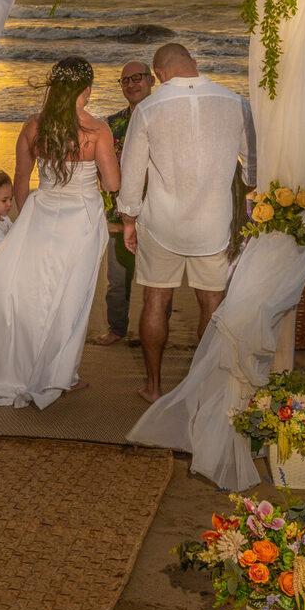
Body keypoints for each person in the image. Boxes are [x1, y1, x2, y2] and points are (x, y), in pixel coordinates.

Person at [0, 56, 120, 409]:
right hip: (81, 220)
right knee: (72, 296)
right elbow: (112, 182)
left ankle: (32, 364)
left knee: (38, 293)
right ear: (87, 89)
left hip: (40, 213)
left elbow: (21, 178)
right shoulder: (97, 131)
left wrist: (22, 218)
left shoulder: (34, 126)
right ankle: (62, 374)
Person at [117, 42, 255, 403]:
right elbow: (254, 166)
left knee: (155, 301)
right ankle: (207, 387)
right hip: (214, 224)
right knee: (212, 304)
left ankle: (154, 386)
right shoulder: (235, 102)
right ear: (195, 63)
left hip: (162, 223)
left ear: (158, 75)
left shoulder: (148, 108)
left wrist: (129, 220)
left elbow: (131, 176)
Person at [92, 60, 153, 346]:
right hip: (118, 213)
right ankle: (117, 328)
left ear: (151, 80)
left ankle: (154, 333)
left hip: (157, 212)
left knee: (157, 282)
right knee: (117, 278)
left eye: (137, 78)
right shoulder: (110, 124)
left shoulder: (164, 116)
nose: (131, 84)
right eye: (125, 80)